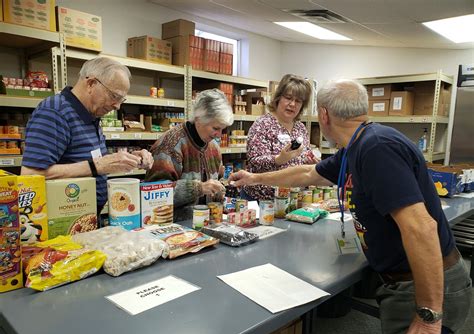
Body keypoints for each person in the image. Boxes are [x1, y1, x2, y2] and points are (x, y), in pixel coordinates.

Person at [230, 79, 472, 334]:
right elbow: (309, 173)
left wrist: (429, 316)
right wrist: (255, 176)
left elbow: (422, 228)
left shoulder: (377, 148)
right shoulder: (358, 146)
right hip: (407, 281)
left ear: (324, 114)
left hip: (421, 286)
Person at [21, 57, 153, 214]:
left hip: (84, 216)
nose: (117, 106)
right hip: (61, 222)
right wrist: (97, 166)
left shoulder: (91, 115)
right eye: (114, 96)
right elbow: (30, 175)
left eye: (121, 100)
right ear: (91, 84)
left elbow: (88, 159)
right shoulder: (55, 112)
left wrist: (129, 159)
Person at [145, 89, 233, 221]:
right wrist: (198, 188)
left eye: (222, 129)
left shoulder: (214, 147)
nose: (219, 135)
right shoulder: (170, 145)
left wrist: (221, 191)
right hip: (174, 227)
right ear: (198, 120)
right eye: (215, 128)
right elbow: (154, 195)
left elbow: (217, 182)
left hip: (206, 225)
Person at [242, 74, 318, 201]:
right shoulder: (263, 124)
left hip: (293, 199)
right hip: (263, 201)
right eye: (288, 98)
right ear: (278, 98)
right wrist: (278, 159)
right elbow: (254, 161)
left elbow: (303, 156)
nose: (292, 104)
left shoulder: (300, 128)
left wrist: (310, 160)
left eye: (298, 101)